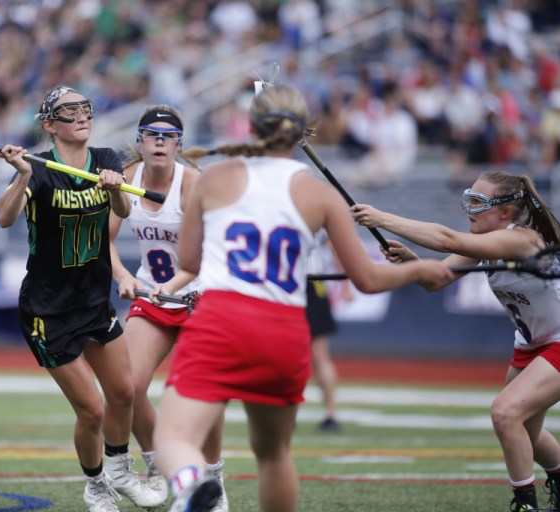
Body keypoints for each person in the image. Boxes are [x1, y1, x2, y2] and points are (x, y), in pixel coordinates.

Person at [152, 83, 454, 512]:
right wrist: (420, 269)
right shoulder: (319, 193)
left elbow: (188, 259)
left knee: (175, 437)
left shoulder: (215, 177)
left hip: (222, 320)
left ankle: (190, 486)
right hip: (284, 330)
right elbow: (366, 278)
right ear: (301, 133)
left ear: (252, 125)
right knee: (274, 454)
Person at [0, 85, 165, 512]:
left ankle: (121, 469)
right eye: (70, 112)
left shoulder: (106, 159)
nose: (83, 117)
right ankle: (96, 486)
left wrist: (114, 188)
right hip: (48, 308)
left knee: (124, 393)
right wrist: (22, 176)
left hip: (94, 300)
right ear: (50, 125)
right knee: (91, 410)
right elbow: (3, 218)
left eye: (86, 109)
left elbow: (123, 212)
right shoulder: (38, 167)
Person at [351, 171, 560, 512]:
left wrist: (383, 218)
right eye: (468, 198)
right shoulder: (486, 242)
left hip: (558, 342)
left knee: (506, 415)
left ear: (505, 212)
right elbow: (436, 282)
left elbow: (449, 239)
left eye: (477, 202)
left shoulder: (520, 240)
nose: (468, 209)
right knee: (528, 432)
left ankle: (526, 507)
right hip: (529, 343)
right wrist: (414, 264)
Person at [109, 104, 229, 511]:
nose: (159, 142)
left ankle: (213, 477)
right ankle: (159, 460)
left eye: (169, 135)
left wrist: (174, 286)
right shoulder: (126, 178)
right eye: (151, 134)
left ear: (179, 143)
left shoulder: (193, 184)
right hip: (153, 294)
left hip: (198, 294)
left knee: (204, 393)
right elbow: (105, 240)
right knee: (128, 386)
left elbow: (207, 255)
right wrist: (124, 276)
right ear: (140, 140)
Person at [306, 230, 349, 433]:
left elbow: (334, 246)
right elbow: (335, 246)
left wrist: (346, 283)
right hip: (312, 284)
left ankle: (330, 413)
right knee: (319, 356)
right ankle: (330, 414)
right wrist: (346, 284)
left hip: (294, 284)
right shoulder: (316, 202)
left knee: (317, 355)